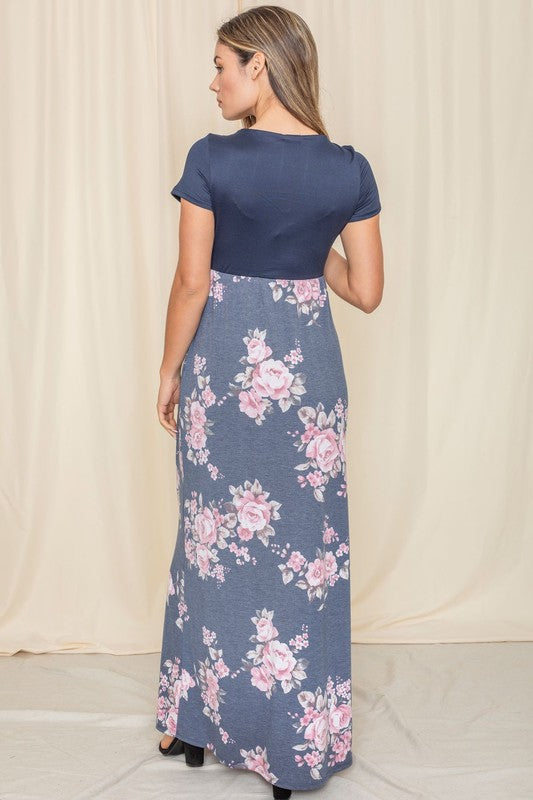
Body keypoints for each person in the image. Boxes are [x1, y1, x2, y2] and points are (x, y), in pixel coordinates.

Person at [154, 6, 383, 798]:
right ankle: (293, 749)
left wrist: (166, 369)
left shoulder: (212, 157)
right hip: (309, 382)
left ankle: (195, 722)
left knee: (212, 540)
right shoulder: (348, 169)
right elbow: (366, 291)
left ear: (260, 67)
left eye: (222, 64)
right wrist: (303, 236)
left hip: (225, 371)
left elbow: (191, 281)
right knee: (306, 559)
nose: (212, 80)